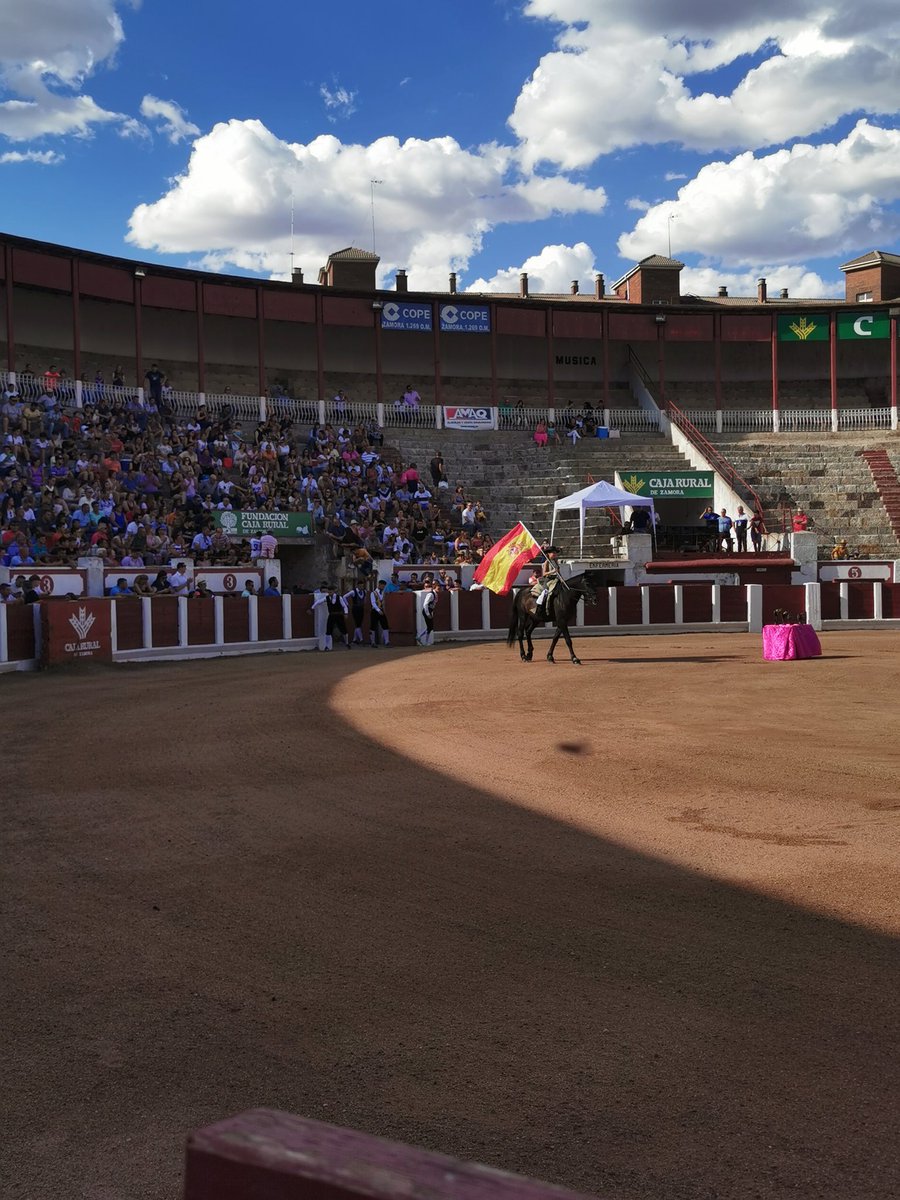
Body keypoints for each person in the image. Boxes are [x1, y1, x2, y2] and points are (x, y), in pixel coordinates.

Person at [532, 547, 561, 617]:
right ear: (548, 554)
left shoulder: (556, 561)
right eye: (553, 553)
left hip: (556, 579)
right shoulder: (547, 562)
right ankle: (545, 608)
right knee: (548, 593)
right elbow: (544, 574)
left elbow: (558, 572)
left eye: (555, 553)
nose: (554, 554)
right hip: (548, 580)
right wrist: (552, 571)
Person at [369, 579, 390, 647]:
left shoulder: (382, 593)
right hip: (375, 611)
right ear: (379, 585)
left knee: (385, 625)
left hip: (381, 610)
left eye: (384, 586)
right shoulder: (373, 593)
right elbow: (373, 603)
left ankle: (387, 641)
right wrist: (378, 610)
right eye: (383, 586)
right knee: (373, 626)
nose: (383, 587)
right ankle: (372, 642)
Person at [419, 581, 437, 646]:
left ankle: (419, 637)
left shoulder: (434, 594)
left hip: (429, 611)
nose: (439, 588)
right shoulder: (431, 594)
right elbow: (425, 604)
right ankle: (425, 641)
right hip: (426, 611)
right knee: (430, 627)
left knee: (430, 627)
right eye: (438, 587)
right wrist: (428, 614)